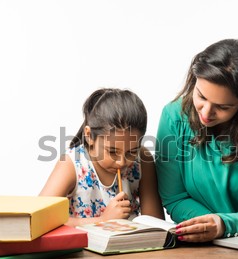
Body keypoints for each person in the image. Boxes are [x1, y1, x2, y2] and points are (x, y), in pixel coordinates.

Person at [155, 39, 238, 242]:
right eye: (201, 96)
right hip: (198, 242)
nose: (206, 112)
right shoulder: (173, 116)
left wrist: (223, 224)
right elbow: (175, 197)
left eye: (223, 107)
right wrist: (207, 225)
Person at [40, 88, 165, 226]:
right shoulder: (72, 164)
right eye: (112, 152)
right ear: (89, 136)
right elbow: (40, 218)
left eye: (131, 152)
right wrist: (103, 220)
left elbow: (156, 223)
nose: (122, 162)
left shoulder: (142, 159)